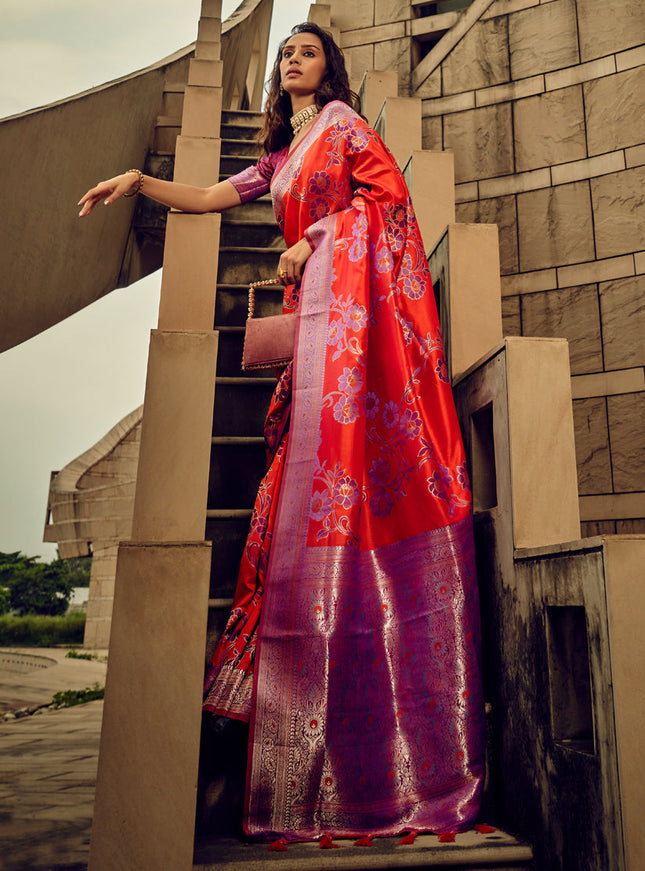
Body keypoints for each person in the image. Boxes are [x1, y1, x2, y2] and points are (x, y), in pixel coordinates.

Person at [79, 21, 485, 844]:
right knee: (283, 509)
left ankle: (366, 736)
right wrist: (139, 182)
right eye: (284, 55)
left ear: (328, 68)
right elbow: (211, 198)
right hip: (312, 338)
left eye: (305, 51)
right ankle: (259, 705)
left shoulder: (344, 128)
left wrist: (313, 236)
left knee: (337, 496)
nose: (290, 60)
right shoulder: (281, 157)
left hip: (356, 335)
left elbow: (389, 206)